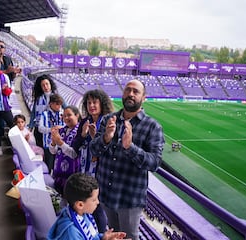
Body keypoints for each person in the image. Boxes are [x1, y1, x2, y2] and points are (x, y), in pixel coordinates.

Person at [89, 79, 165, 240]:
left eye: (135, 91)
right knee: (113, 236)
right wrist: (106, 138)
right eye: (127, 90)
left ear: (144, 97)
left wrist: (130, 147)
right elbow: (93, 150)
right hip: (106, 194)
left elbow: (154, 163)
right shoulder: (109, 119)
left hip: (129, 199)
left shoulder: (152, 127)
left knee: (129, 237)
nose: (130, 94)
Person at [72, 89, 114, 233]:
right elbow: (75, 147)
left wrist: (96, 137)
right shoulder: (85, 121)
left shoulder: (108, 122)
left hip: (101, 173)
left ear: (102, 104)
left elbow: (110, 151)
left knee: (97, 207)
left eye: (95, 102)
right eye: (89, 102)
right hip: (84, 172)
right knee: (85, 207)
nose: (92, 105)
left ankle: (101, 234)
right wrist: (83, 135)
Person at [47, 173, 127, 240]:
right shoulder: (71, 233)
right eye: (94, 200)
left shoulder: (82, 215)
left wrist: (103, 237)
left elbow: (91, 236)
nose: (98, 202)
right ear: (80, 205)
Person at [49, 105, 80, 195]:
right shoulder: (61, 130)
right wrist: (53, 142)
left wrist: (60, 142)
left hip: (71, 176)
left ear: (77, 115)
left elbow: (74, 154)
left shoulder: (80, 132)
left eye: (69, 115)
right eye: (64, 115)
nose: (66, 118)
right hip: (58, 173)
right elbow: (53, 151)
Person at [28, 75, 59, 148]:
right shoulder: (38, 98)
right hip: (39, 128)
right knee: (40, 150)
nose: (45, 87)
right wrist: (30, 127)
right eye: (43, 85)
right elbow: (33, 113)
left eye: (47, 84)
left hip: (51, 129)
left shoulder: (57, 97)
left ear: (50, 84)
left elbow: (66, 108)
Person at [38, 93, 64, 173]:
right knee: (48, 166)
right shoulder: (44, 114)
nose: (59, 106)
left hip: (60, 145)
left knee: (57, 166)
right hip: (48, 144)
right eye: (57, 104)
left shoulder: (62, 114)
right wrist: (50, 129)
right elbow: (40, 128)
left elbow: (66, 126)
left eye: (60, 104)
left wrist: (61, 127)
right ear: (51, 104)